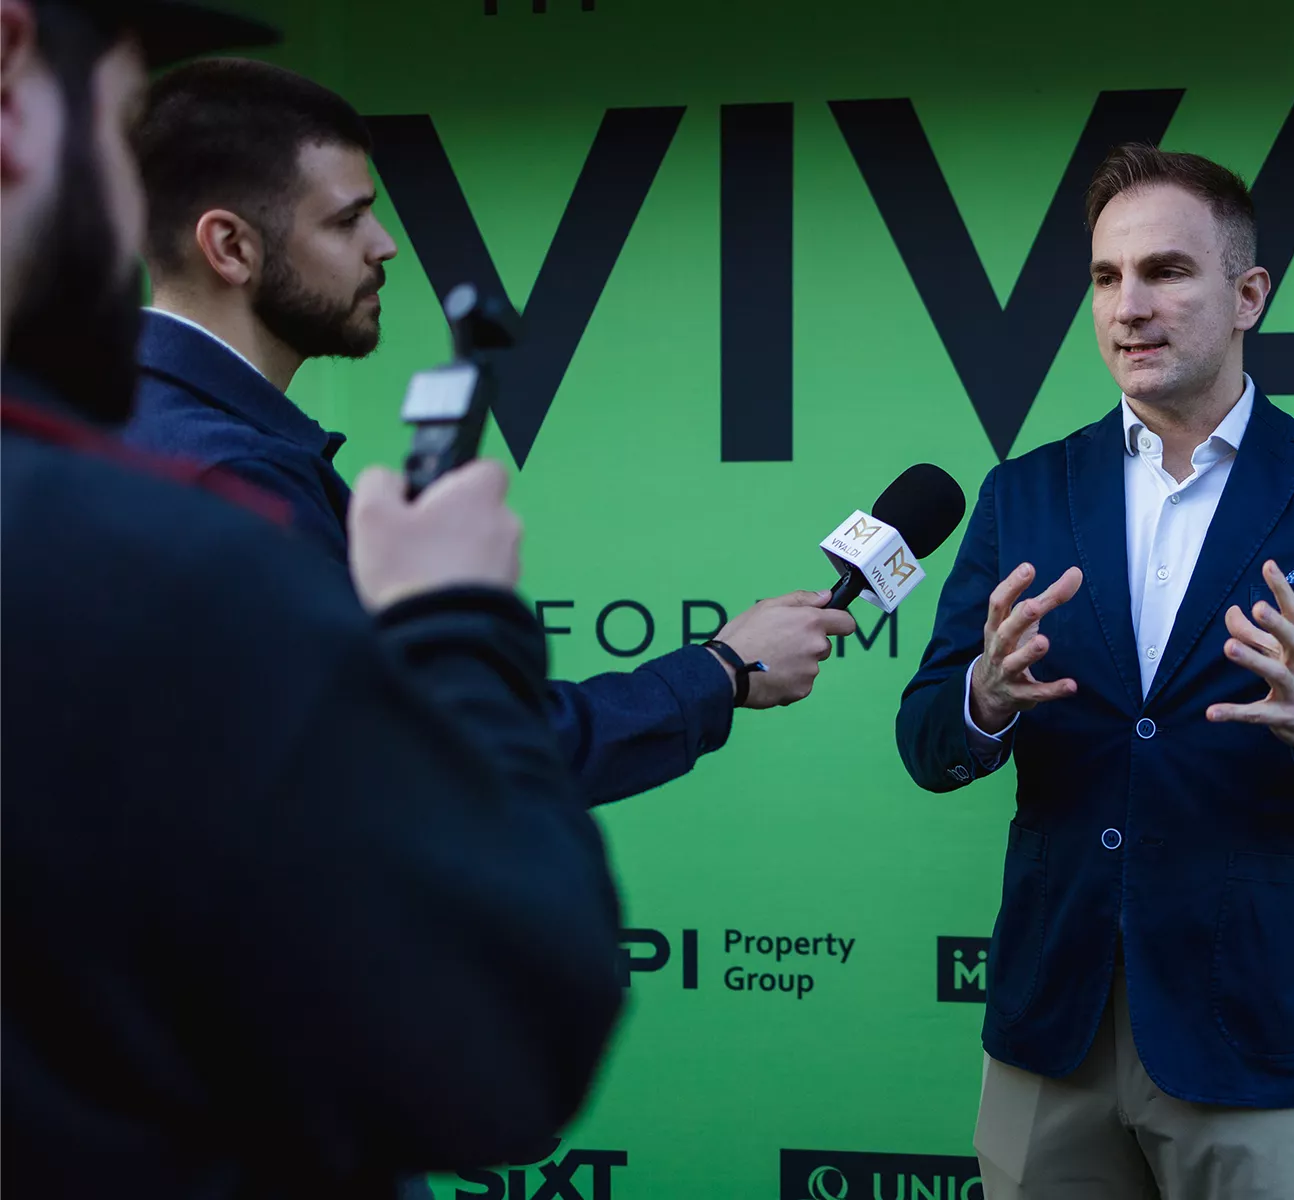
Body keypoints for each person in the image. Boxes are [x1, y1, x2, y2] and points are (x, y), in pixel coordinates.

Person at [2, 2, 630, 1194]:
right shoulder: (196, 526)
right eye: (113, 117)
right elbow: (493, 1036)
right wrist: (454, 626)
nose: (386, 246)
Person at [897, 144, 1294, 1198]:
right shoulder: (1022, 494)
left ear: (1248, 295)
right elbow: (926, 739)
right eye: (1106, 277)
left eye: (1166, 272)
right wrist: (981, 701)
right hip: (1050, 1028)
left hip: (1256, 1033)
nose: (1129, 307)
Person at [121, 57, 855, 808]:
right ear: (231, 247)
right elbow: (440, 758)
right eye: (346, 220)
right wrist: (724, 670)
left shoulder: (127, 430)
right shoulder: (229, 478)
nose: (385, 244)